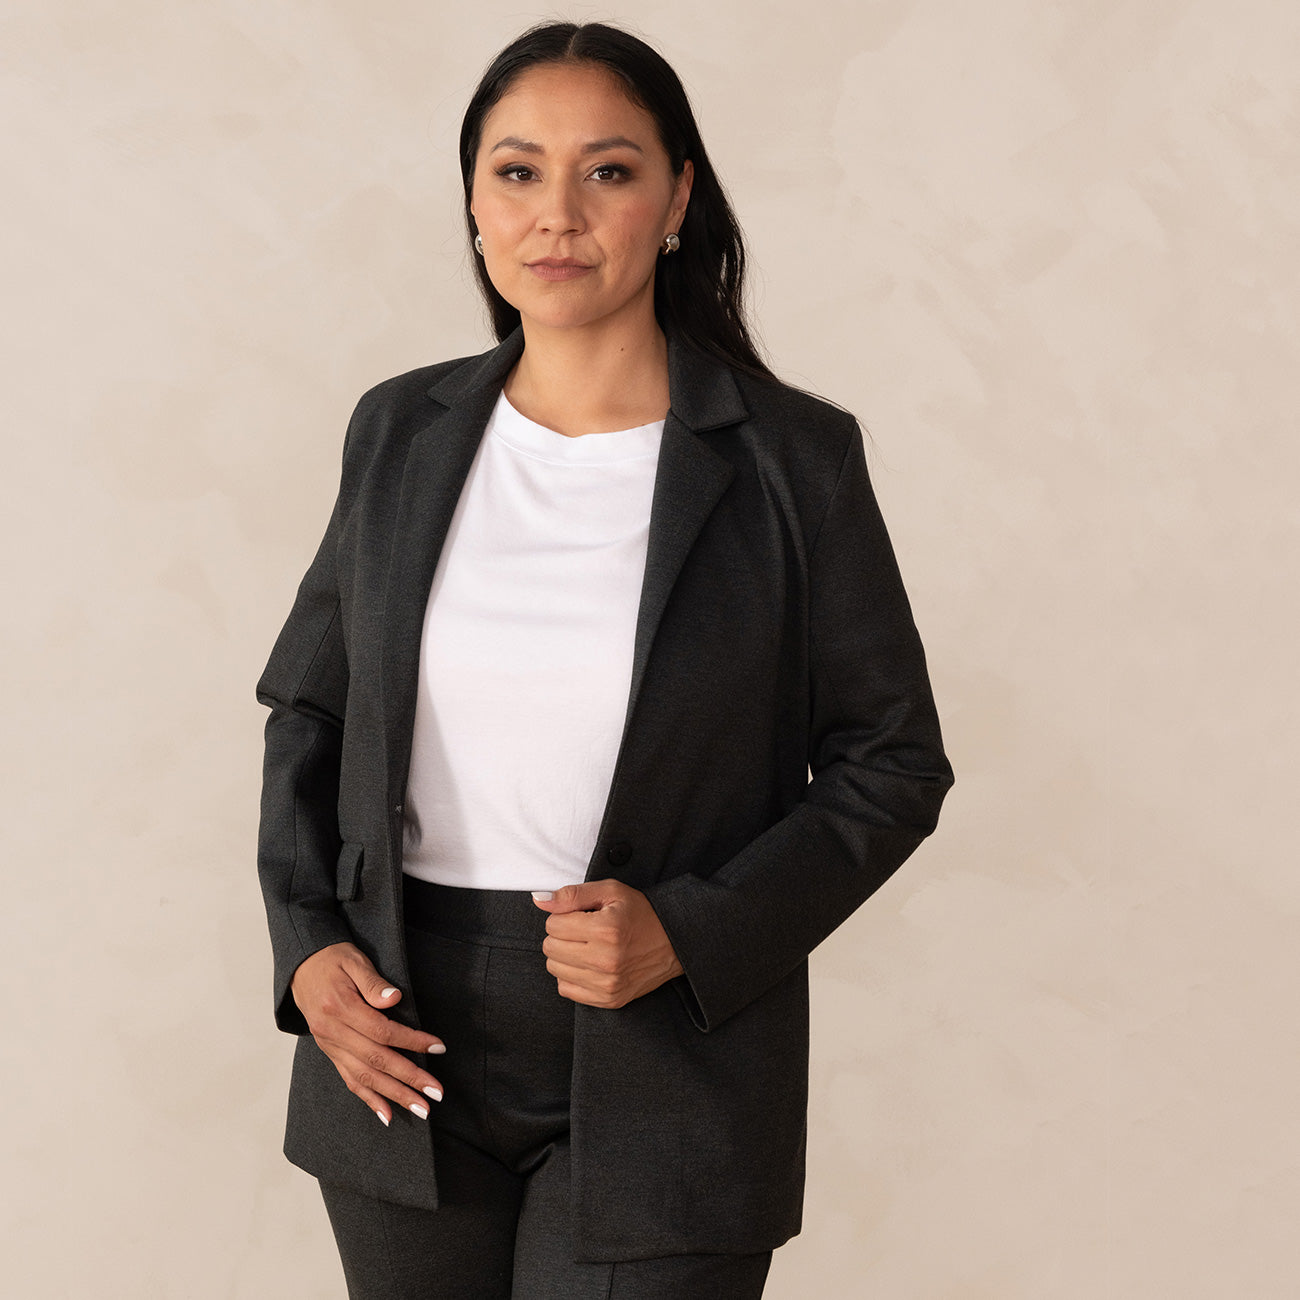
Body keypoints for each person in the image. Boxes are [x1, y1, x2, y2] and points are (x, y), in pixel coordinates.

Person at [256, 19, 954, 1300]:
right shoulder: (400, 431)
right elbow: (310, 701)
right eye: (516, 171)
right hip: (401, 1031)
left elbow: (891, 763)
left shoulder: (793, 462)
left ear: (678, 197)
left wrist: (692, 931)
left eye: (610, 171)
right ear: (472, 201)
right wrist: (306, 945)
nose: (556, 215)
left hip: (668, 1048)